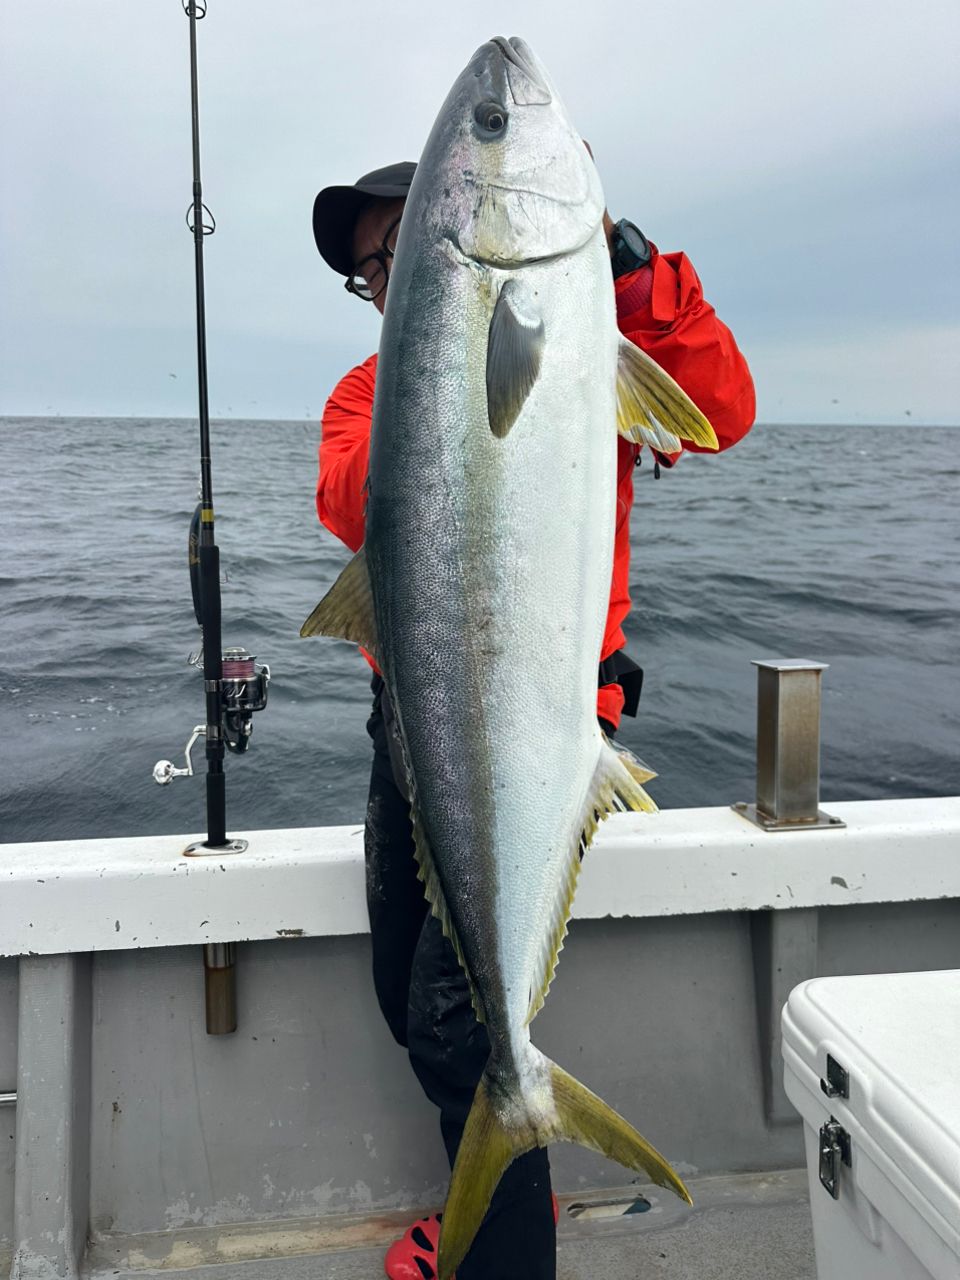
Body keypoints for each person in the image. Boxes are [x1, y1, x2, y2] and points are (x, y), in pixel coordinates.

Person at [311, 159, 755, 1280]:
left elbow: (720, 412)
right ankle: (489, 1198)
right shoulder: (366, 396)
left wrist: (631, 268)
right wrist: (437, 374)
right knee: (405, 1002)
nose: (382, 273)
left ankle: (502, 1246)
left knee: (465, 1030)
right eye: (371, 267)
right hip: (413, 728)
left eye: (400, 243)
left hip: (545, 736)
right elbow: (347, 499)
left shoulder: (581, 360)